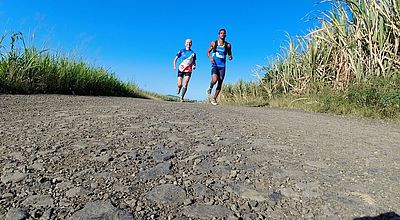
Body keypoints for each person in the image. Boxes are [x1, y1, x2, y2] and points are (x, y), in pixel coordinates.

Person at [206, 28, 233, 105]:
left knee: (220, 81)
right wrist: (211, 58)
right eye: (221, 33)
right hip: (215, 64)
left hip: (222, 66)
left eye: (224, 33)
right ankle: (210, 87)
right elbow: (208, 52)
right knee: (214, 80)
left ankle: (214, 99)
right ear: (219, 35)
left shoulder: (228, 45)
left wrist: (230, 56)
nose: (222, 34)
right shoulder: (214, 43)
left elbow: (230, 53)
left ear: (225, 35)